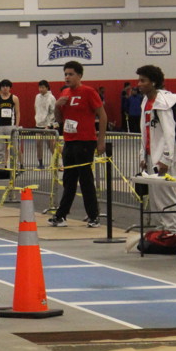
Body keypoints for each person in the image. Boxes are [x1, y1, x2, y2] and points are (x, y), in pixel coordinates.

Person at [48, 61, 107, 228]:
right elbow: (60, 119)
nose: (67, 77)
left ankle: (93, 216)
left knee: (86, 179)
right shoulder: (65, 93)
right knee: (69, 179)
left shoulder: (88, 92)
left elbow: (102, 116)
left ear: (79, 75)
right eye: (65, 74)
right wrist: (57, 106)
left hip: (85, 141)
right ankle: (61, 216)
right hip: (69, 141)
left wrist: (101, 141)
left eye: (71, 74)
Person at [135, 65, 176, 233]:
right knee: (155, 198)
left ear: (153, 82)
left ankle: (171, 231)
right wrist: (143, 155)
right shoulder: (146, 101)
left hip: (163, 157)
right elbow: (145, 130)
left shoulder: (164, 102)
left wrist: (166, 159)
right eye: (139, 80)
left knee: (165, 196)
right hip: (150, 156)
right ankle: (160, 230)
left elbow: (169, 133)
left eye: (143, 81)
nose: (139, 84)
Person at [0, 79, 21, 167]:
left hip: (11, 126)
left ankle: (14, 168)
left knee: (13, 149)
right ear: (0, 88)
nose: (5, 88)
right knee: (0, 150)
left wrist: (16, 125)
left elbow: (17, 112)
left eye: (7, 86)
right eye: (3, 86)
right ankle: (2, 168)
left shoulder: (14, 98)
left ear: (10, 88)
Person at [33, 79, 56, 168]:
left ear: (47, 88)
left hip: (48, 126)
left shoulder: (51, 98)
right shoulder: (37, 96)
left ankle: (56, 162)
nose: (41, 89)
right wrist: (37, 119)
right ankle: (40, 163)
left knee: (51, 145)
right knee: (38, 144)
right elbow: (36, 107)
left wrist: (49, 125)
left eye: (43, 87)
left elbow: (53, 112)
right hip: (38, 125)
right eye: (39, 87)